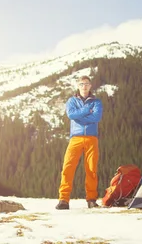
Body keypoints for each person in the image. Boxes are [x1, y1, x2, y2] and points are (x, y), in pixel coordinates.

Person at [56, 75, 103, 210]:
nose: (84, 86)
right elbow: (71, 115)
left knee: (91, 169)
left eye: (87, 84)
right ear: (78, 86)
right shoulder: (71, 101)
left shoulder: (97, 102)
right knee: (68, 167)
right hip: (75, 138)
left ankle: (91, 200)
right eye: (82, 84)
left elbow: (97, 117)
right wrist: (86, 111)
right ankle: (63, 200)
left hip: (91, 138)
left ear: (90, 86)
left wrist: (80, 115)